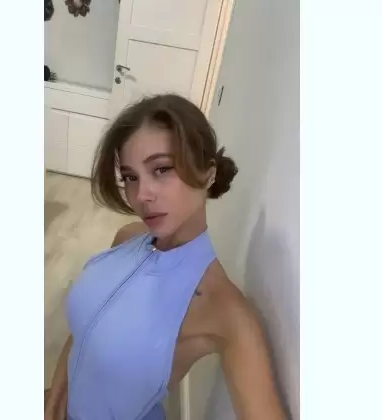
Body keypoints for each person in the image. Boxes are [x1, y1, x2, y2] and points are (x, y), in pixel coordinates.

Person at [44, 94, 285, 420]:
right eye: (131, 177)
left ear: (208, 173)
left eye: (161, 169)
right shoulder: (128, 237)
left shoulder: (223, 310)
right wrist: (56, 394)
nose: (142, 195)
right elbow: (85, 328)